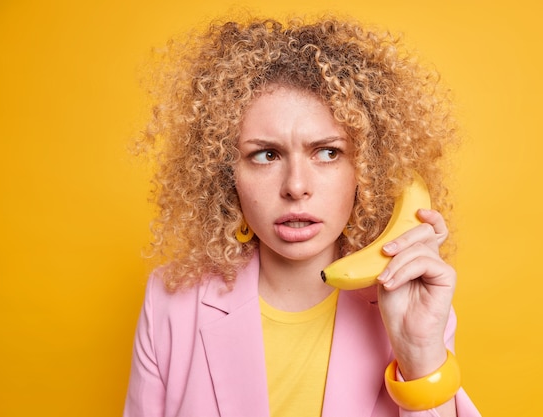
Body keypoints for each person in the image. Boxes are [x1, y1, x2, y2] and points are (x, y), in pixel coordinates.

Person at [124, 14, 481, 417]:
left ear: (365, 171)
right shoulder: (171, 302)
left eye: (328, 152)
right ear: (227, 175)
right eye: (266, 155)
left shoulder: (409, 302)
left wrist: (419, 355)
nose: (296, 186)